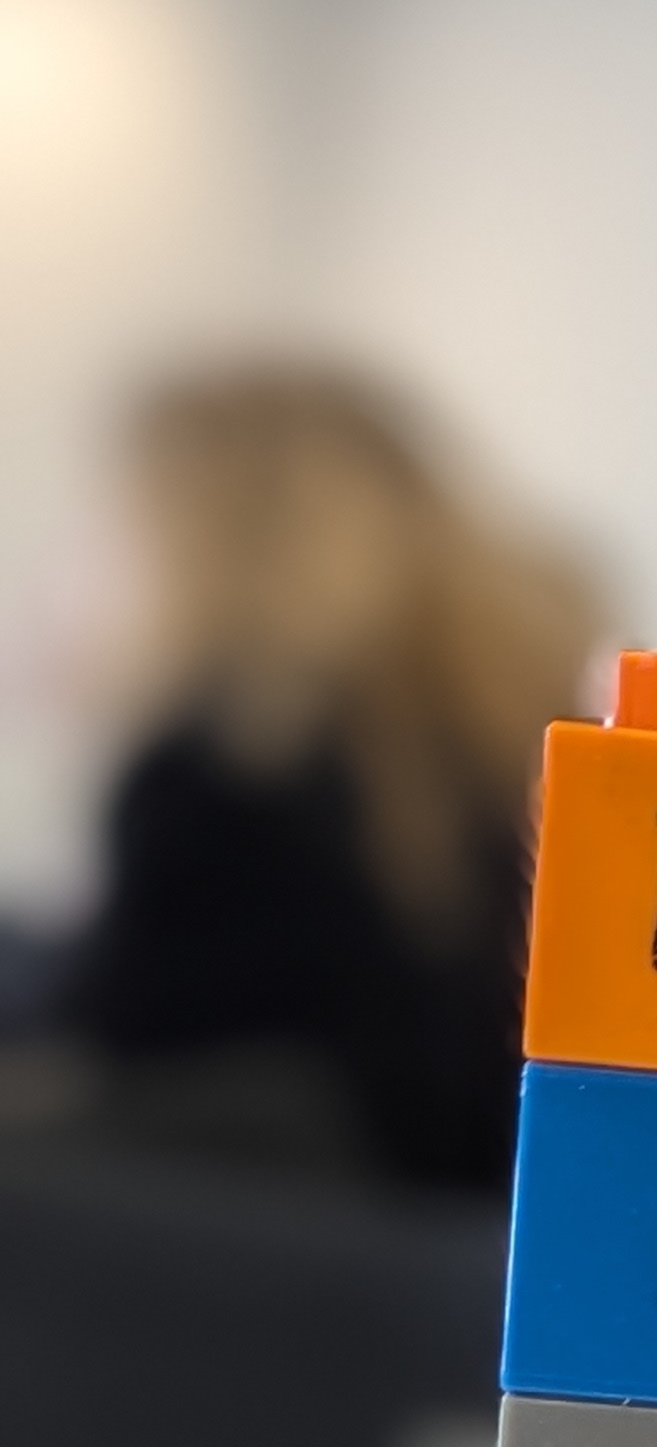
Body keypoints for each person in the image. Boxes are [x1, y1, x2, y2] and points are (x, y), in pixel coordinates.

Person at [57, 363, 601, 1193]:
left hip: (268, 1274)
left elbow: (121, 1065)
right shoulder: (540, 761)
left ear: (209, 546)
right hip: (485, 1271)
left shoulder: (216, 779)